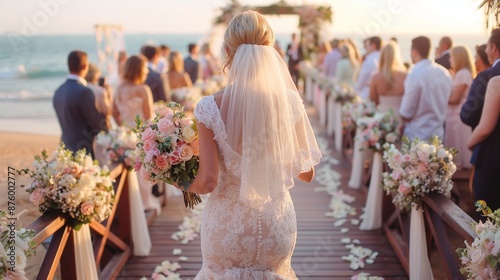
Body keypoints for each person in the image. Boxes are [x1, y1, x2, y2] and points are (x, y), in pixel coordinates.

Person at [187, 10, 321, 278]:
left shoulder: (209, 107)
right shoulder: (290, 103)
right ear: (269, 52)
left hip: (227, 232)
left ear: (227, 52)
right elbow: (306, 173)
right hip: (277, 227)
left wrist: (178, 180)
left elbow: (209, 181)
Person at [113, 54, 161, 214]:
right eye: (145, 69)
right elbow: (149, 117)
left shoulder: (119, 88)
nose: (147, 72)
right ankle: (144, 203)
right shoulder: (143, 89)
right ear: (139, 70)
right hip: (141, 136)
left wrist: (124, 129)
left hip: (125, 137)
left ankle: (132, 205)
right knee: (143, 170)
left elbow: (114, 113)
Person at [53, 50, 107, 158]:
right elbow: (97, 125)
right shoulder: (84, 92)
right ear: (85, 66)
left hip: (65, 148)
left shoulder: (58, 91)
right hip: (83, 151)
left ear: (68, 66)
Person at [399, 36, 452, 141]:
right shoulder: (444, 73)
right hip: (438, 136)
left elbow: (406, 112)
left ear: (414, 52)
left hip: (417, 137)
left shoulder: (415, 74)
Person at [461, 29, 500, 163]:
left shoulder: (487, 77)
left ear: (494, 48)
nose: (486, 51)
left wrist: (470, 143)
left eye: (488, 46)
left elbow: (467, 115)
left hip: (491, 153)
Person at [467, 76, 500, 214]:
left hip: (493, 160)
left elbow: (485, 128)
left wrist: (469, 144)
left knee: (489, 223)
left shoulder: (497, 82)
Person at [445, 46, 475, 170]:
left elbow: (455, 99)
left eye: (452, 57)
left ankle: (459, 167)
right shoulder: (462, 73)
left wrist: (440, 97)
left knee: (458, 142)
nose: (450, 60)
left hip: (458, 115)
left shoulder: (462, 74)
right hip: (457, 113)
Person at [369, 41, 406, 116]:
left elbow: (373, 100)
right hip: (400, 117)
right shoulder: (405, 76)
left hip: (382, 118)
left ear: (382, 57)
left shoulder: (376, 77)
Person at [84, 63, 113, 129]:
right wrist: (109, 94)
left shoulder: (80, 88)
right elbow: (108, 112)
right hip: (99, 128)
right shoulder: (100, 91)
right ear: (95, 76)